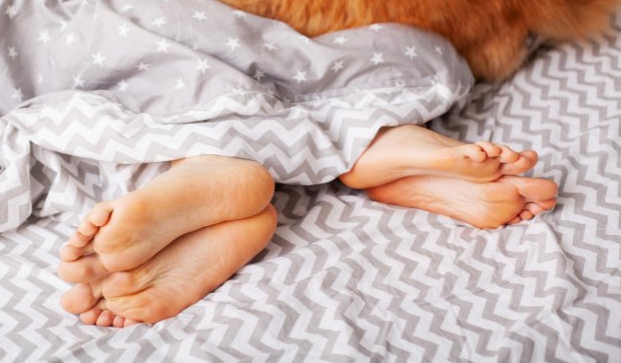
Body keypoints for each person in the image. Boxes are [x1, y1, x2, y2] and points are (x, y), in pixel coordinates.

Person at [58, 124, 557, 327]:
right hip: (335, 62)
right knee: (361, 89)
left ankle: (206, 168)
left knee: (201, 98)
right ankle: (394, 149)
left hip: (200, 79)